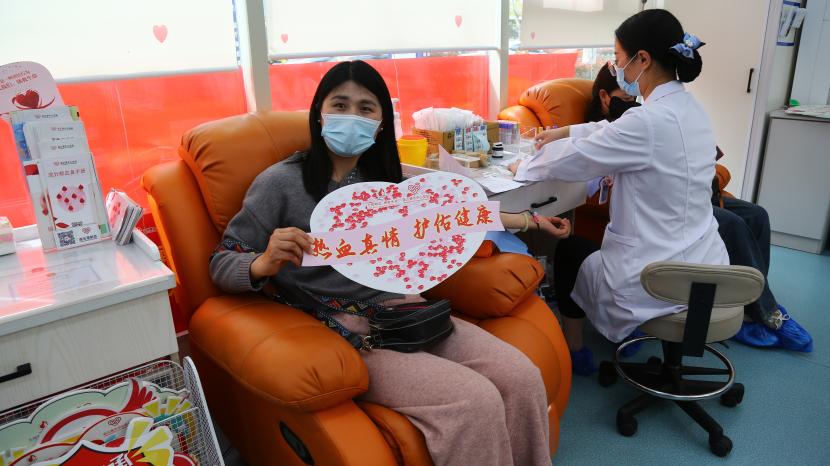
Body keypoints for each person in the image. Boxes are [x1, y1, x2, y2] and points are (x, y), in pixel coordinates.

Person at [209, 60, 570, 466]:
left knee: (522, 376)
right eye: (340, 105)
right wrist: (263, 263)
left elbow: (457, 216)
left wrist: (532, 220)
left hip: (413, 312)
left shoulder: (387, 184)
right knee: (474, 400)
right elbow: (223, 261)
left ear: (381, 124)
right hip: (347, 331)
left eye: (366, 108)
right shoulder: (279, 182)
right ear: (319, 113)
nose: (351, 117)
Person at [509, 9, 730, 375]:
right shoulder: (690, 108)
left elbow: (581, 157)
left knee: (570, 251)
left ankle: (575, 354)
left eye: (617, 57)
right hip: (704, 266)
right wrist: (564, 131)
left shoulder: (648, 121)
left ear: (642, 59)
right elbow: (613, 131)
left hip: (655, 277)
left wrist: (525, 166)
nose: (616, 68)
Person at [580, 66, 813, 357]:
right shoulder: (601, 129)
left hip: (690, 190)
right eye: (624, 97)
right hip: (667, 205)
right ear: (604, 96)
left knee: (757, 215)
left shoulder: (653, 115)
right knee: (732, 224)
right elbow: (593, 175)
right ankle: (768, 312)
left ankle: (748, 303)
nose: (631, 102)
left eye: (633, 96)